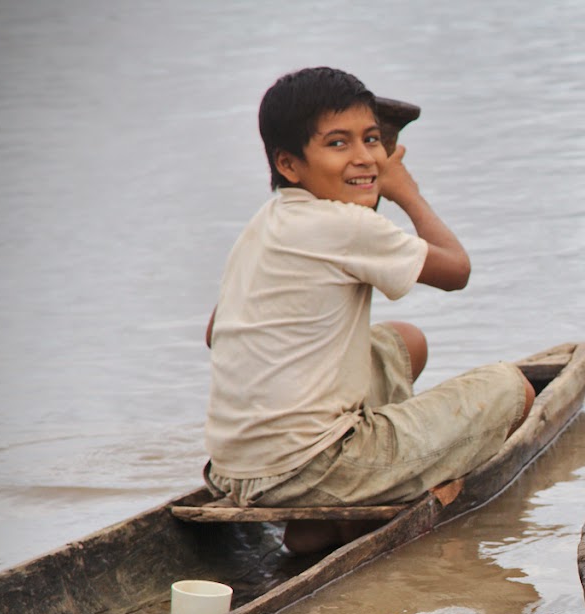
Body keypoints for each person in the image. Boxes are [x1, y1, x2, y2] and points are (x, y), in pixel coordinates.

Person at [202, 66, 533, 552]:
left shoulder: (268, 220)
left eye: (371, 140)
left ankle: (326, 524)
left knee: (405, 342)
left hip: (234, 470)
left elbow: (216, 331)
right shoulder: (346, 227)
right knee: (513, 388)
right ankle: (355, 504)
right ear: (290, 164)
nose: (364, 157)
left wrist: (361, 189)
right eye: (338, 143)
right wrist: (403, 191)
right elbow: (456, 270)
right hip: (311, 466)